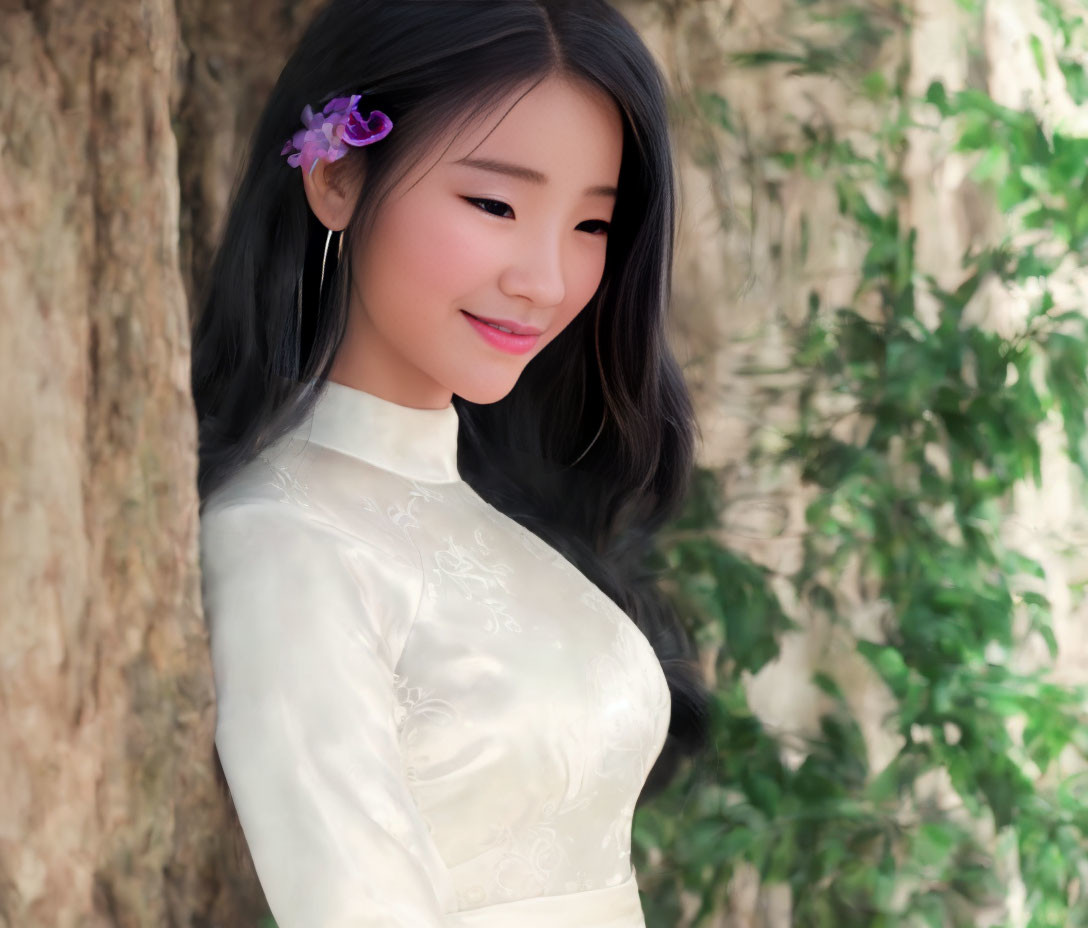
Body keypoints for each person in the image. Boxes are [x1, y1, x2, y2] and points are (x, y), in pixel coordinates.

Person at [191, 1, 711, 925]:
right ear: (339, 175)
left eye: (592, 226)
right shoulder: (285, 544)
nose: (545, 280)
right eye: (495, 204)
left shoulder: (501, 520)